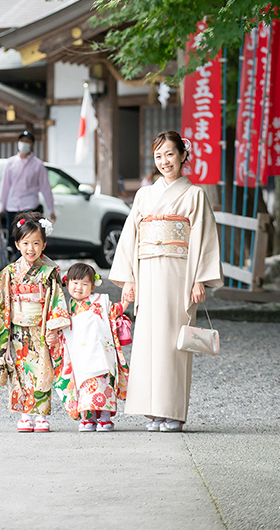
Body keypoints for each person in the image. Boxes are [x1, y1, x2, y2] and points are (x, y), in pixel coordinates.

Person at [110, 130, 223, 432]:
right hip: (147, 271)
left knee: (174, 341)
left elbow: (204, 237)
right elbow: (130, 238)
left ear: (183, 155)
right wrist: (129, 279)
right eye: (158, 156)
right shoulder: (144, 195)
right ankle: (152, 410)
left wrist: (199, 279)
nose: (164, 161)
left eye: (170, 154)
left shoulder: (195, 194)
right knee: (148, 340)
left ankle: (172, 411)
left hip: (179, 274)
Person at [0, 211, 69, 432]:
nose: (30, 248)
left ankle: (41, 415)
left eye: (36, 243)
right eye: (25, 243)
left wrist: (53, 327)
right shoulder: (11, 272)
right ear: (17, 244)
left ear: (44, 245)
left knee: (42, 370)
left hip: (40, 328)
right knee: (20, 371)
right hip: (17, 330)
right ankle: (25, 414)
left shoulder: (49, 272)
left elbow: (56, 300)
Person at [51, 262, 130, 432]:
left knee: (103, 384)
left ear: (93, 286)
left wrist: (126, 302)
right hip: (80, 355)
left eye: (84, 284)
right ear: (67, 283)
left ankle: (105, 418)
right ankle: (89, 418)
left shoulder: (100, 301)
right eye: (75, 283)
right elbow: (59, 326)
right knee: (83, 386)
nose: (79, 287)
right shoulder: (65, 306)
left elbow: (114, 312)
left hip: (100, 353)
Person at [0, 132, 56, 233]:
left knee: (29, 236)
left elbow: (45, 188)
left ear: (32, 144)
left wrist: (51, 210)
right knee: (14, 237)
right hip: (12, 207)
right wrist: (1, 208)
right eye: (22, 141)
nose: (24, 143)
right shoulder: (10, 163)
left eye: (27, 141)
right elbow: (5, 186)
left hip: (30, 207)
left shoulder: (38, 165)